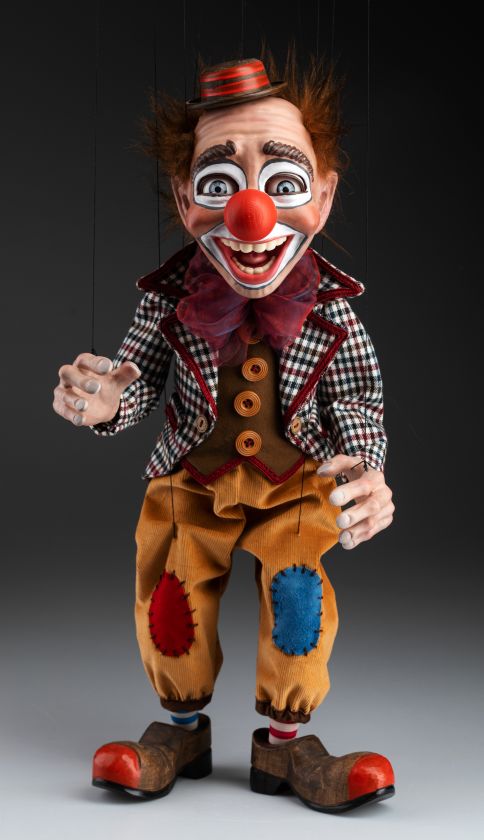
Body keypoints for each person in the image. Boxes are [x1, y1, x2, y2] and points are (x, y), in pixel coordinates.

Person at [52, 55, 395, 813]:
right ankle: (181, 732)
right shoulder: (168, 301)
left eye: (283, 183)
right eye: (218, 185)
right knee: (171, 607)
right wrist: (107, 401)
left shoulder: (332, 311)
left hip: (296, 489)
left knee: (299, 602)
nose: (251, 216)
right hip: (190, 484)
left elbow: (356, 401)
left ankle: (285, 746)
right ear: (186, 200)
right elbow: (136, 379)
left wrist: (365, 469)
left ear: (324, 196)